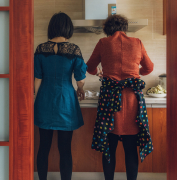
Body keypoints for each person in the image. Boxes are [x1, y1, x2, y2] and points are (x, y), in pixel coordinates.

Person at [86, 15, 154, 180]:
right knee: (131, 149)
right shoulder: (137, 42)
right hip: (132, 101)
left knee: (109, 148)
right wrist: (136, 74)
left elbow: (89, 67)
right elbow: (149, 68)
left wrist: (99, 73)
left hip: (110, 100)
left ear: (108, 29)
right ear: (125, 28)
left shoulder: (103, 43)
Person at [34, 12, 87, 180]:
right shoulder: (74, 49)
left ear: (52, 27)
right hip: (66, 101)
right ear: (68, 28)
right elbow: (80, 78)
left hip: (44, 98)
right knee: (65, 148)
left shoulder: (41, 48)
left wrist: (33, 99)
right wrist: (80, 88)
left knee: (43, 146)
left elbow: (37, 78)